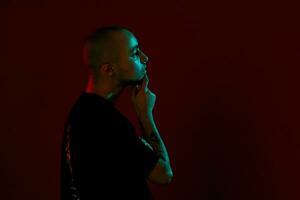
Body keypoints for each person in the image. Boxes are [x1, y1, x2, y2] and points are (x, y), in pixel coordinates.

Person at [60, 26, 173, 200]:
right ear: (109, 70)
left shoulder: (80, 113)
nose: (145, 58)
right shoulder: (107, 122)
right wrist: (145, 115)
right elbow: (164, 174)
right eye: (135, 53)